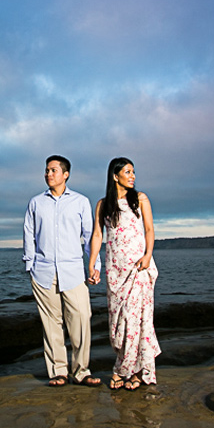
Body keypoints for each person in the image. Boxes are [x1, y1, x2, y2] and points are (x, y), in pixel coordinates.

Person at [23, 155, 102, 387]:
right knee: (51, 323)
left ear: (65, 174)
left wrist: (95, 265)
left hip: (74, 272)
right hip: (43, 271)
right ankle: (58, 371)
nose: (48, 174)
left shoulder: (80, 202)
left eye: (53, 170)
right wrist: (31, 265)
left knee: (80, 319)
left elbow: (90, 236)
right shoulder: (36, 202)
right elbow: (29, 233)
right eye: (46, 170)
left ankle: (81, 371)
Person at [88, 157, 161, 391]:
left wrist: (148, 255)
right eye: (127, 172)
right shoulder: (103, 204)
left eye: (133, 172)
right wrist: (92, 265)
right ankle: (127, 365)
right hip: (115, 269)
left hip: (138, 267)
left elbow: (149, 229)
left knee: (136, 319)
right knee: (118, 321)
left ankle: (131, 371)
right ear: (114, 175)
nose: (132, 176)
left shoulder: (140, 199)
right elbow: (98, 235)